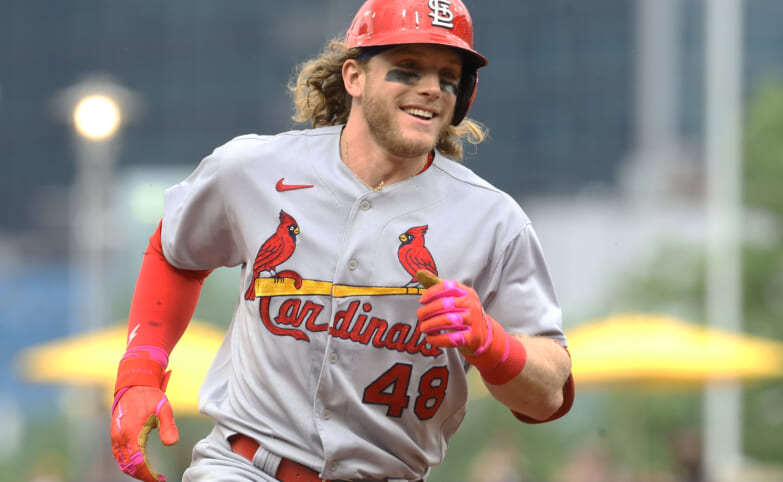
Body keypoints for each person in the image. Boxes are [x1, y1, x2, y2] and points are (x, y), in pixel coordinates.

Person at [109, 0, 574, 480]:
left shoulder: (494, 222)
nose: (431, 88)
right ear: (354, 76)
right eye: (409, 68)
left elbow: (549, 394)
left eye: (448, 77)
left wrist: (492, 343)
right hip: (243, 467)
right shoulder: (255, 168)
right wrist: (140, 372)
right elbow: (174, 251)